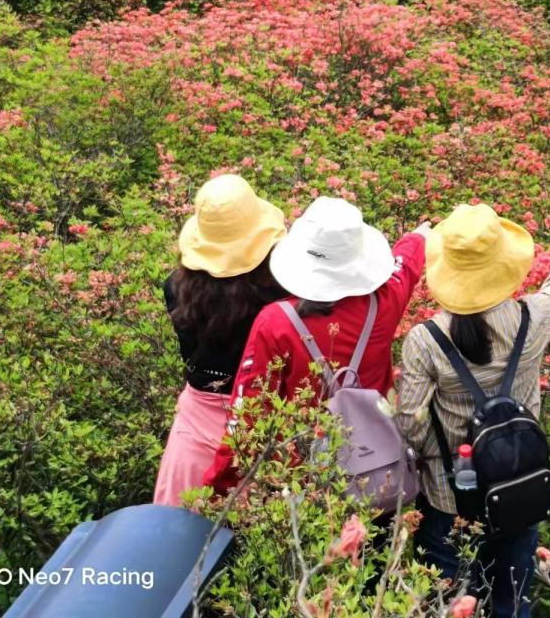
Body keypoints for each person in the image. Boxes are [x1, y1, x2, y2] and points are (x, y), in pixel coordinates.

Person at [395, 203, 550, 618]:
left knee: (448, 605)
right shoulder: (533, 316)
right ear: (502, 265)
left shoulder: (425, 340)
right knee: (511, 604)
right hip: (519, 493)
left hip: (451, 500)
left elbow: (411, 426)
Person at [205, 196, 429, 493]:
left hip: (303, 483)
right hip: (378, 476)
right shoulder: (384, 302)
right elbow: (404, 268)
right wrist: (418, 238)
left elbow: (248, 415)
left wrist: (217, 487)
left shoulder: (275, 322)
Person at [153, 174, 288, 507]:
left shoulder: (175, 288)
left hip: (195, 428)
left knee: (179, 527)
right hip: (262, 420)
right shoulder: (281, 296)